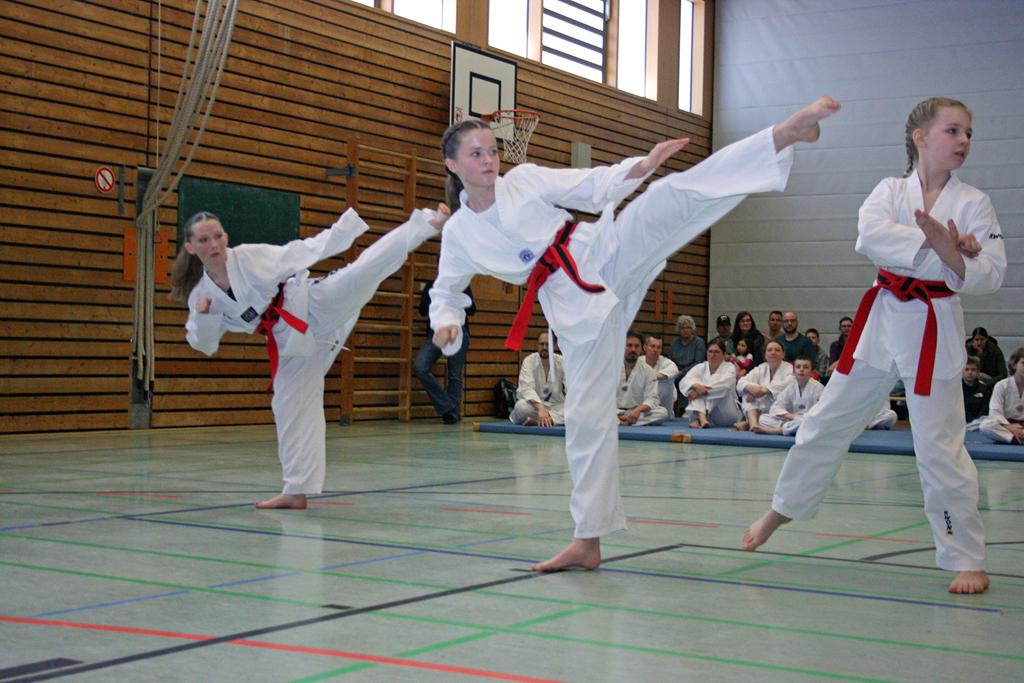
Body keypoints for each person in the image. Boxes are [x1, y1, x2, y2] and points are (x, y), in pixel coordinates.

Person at [430, 97, 840, 571]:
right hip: (573, 309)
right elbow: (447, 291)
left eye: (492, 151)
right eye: (476, 154)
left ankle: (781, 137)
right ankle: (588, 540)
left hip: (602, 252)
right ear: (452, 164)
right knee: (584, 419)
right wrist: (447, 324)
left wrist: (642, 166)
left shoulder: (521, 181)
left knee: (669, 198)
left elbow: (586, 186)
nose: (489, 160)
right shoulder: (459, 233)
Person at [743, 96, 1006, 595]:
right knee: (826, 420)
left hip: (933, 322)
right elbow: (869, 236)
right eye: (953, 130)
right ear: (921, 138)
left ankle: (966, 556)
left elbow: (991, 274)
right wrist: (936, 242)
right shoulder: (889, 190)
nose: (964, 141)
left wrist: (959, 255)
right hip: (882, 316)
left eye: (969, 133)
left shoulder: (974, 202)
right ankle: (781, 510)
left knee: (939, 445)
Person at [172, 206, 446, 509]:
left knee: (363, 270)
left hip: (312, 304)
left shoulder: (248, 258)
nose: (213, 245)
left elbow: (301, 251)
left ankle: (426, 223)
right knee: (288, 406)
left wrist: (342, 231)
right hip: (292, 343)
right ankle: (296, 490)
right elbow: (203, 344)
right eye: (203, 240)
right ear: (190, 247)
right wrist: (205, 316)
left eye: (217, 236)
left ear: (226, 237)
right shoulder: (202, 295)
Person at [413, 279, 476, 424]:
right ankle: (448, 407)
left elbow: (472, 309)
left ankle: (451, 414)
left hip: (459, 331)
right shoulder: (431, 285)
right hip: (436, 333)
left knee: (454, 375)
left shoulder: (463, 283)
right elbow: (422, 310)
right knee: (420, 367)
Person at [752, 356, 824, 435]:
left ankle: (777, 430)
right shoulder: (790, 388)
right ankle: (790, 428)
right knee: (763, 418)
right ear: (793, 372)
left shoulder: (818, 388)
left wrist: (799, 418)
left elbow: (820, 413)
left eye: (806, 367)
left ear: (812, 372)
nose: (801, 370)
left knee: (807, 421)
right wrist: (791, 416)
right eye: (798, 367)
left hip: (808, 421)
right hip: (794, 421)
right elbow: (775, 407)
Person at [680, 341, 741, 429]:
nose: (712, 355)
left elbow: (725, 387)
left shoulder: (729, 367)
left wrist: (699, 391)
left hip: (726, 413)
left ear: (724, 354)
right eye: (710, 352)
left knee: (716, 387)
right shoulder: (701, 367)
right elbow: (684, 381)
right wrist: (695, 386)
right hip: (709, 415)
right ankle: (703, 418)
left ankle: (700, 417)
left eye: (717, 352)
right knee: (695, 384)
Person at [510, 330, 566, 426]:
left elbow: (571, 386)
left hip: (555, 406)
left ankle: (539, 421)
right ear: (537, 345)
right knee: (520, 407)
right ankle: (550, 420)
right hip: (534, 406)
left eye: (548, 344)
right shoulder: (529, 361)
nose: (544, 347)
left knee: (573, 409)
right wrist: (540, 407)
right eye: (541, 344)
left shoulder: (562, 362)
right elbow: (526, 388)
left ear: (555, 346)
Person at [735, 339, 793, 431]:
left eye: (777, 350)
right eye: (770, 350)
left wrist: (764, 390)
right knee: (747, 392)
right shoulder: (761, 368)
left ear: (783, 354)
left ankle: (750, 422)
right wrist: (750, 388)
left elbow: (789, 383)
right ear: (765, 355)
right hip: (762, 408)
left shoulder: (789, 368)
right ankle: (754, 425)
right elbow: (741, 382)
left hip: (779, 410)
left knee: (766, 419)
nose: (773, 352)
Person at [618, 332, 669, 426]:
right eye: (629, 345)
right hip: (614, 410)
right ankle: (627, 420)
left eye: (636, 346)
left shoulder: (648, 371)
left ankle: (622, 421)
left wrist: (637, 410)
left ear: (642, 349)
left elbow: (652, 399)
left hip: (635, 411)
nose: (633, 349)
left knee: (662, 413)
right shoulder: (611, 368)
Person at [978, 347, 1024, 444]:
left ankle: (1015, 439)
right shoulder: (1002, 385)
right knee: (985, 425)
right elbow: (995, 413)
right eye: (1023, 363)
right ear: (1014, 365)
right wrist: (1013, 430)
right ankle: (1015, 439)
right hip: (1008, 426)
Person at [642, 333, 679, 417]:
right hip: (642, 406)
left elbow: (675, 371)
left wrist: (649, 377)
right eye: (652, 346)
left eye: (658, 347)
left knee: (666, 381)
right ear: (645, 347)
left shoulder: (667, 363)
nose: (655, 350)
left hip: (664, 409)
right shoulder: (638, 362)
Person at [666, 314, 706, 379]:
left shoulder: (698, 342)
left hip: (693, 375)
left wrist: (682, 372)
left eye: (688, 328)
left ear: (692, 329)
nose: (685, 330)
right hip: (675, 373)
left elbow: (698, 363)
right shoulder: (674, 343)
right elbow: (670, 361)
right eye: (682, 328)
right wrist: (674, 371)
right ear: (679, 330)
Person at [961, 356, 991, 428]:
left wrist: (976, 421)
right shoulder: (957, 389)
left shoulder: (984, 388)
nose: (970, 372)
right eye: (967, 369)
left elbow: (985, 408)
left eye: (973, 370)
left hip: (979, 424)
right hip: (961, 423)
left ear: (978, 372)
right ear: (962, 371)